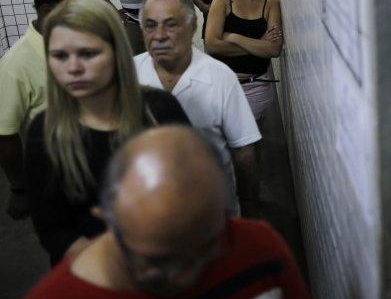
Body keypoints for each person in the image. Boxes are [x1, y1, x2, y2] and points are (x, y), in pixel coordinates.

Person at [26, 125, 310, 299]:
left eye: (205, 250)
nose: (183, 278)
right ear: (106, 217)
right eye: (156, 260)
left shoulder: (260, 249)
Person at [24, 0, 190, 265]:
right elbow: (53, 230)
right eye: (59, 56)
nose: (73, 68)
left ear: (117, 52)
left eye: (88, 54)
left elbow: (193, 194)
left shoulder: (160, 110)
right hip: (91, 275)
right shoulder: (44, 131)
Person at [135, 0, 262, 215]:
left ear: (192, 25)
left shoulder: (220, 77)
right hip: (146, 216)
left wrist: (250, 210)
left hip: (212, 213)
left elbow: (244, 152)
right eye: (150, 25)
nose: (159, 35)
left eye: (171, 24)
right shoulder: (128, 74)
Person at [0, 0, 89, 219]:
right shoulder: (15, 64)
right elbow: (5, 136)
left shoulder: (83, 42)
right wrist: (19, 188)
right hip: (56, 177)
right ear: (48, 11)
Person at [204, 0, 282, 121]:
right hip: (222, 84)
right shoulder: (222, 0)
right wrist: (259, 44)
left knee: (249, 141)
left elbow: (274, 49)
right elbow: (211, 45)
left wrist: (233, 37)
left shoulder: (271, 4)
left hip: (257, 85)